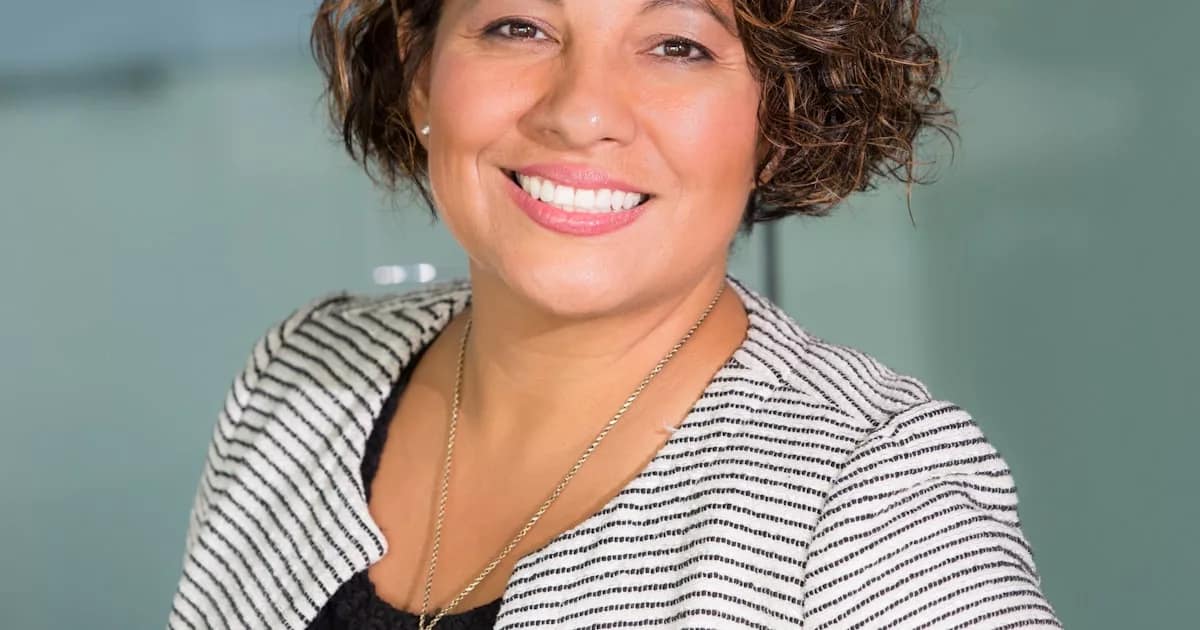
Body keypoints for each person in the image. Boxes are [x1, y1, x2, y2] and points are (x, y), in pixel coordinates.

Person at [167, 0, 1062, 628]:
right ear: (418, 71)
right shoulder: (301, 374)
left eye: (676, 44)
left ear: (780, 113)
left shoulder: (873, 501)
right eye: (517, 27)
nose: (580, 111)